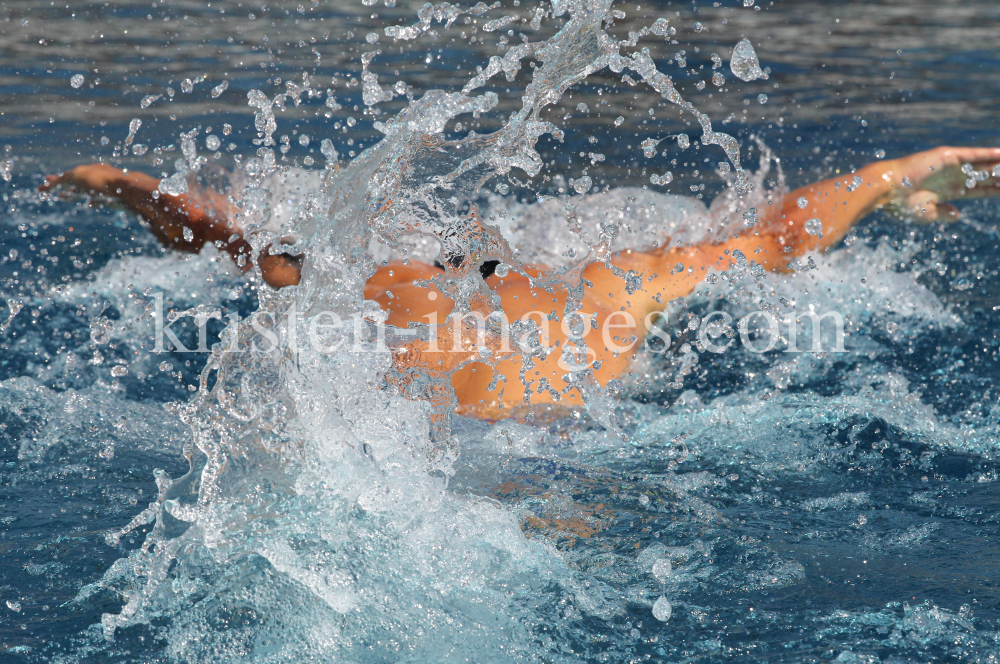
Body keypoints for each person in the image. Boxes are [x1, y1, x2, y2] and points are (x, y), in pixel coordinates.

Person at [40, 147, 1000, 420]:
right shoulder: (611, 290)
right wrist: (898, 176)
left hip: (436, 492)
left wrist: (125, 188)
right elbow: (784, 238)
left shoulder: (387, 281)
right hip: (583, 463)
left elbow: (220, 236)